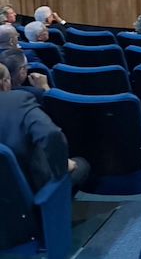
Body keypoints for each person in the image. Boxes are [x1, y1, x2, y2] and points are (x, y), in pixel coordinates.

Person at [0, 63, 89, 193]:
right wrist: (62, 166)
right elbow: (52, 134)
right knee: (82, 164)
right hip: (31, 190)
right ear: (4, 83)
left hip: (7, 195)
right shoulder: (19, 100)